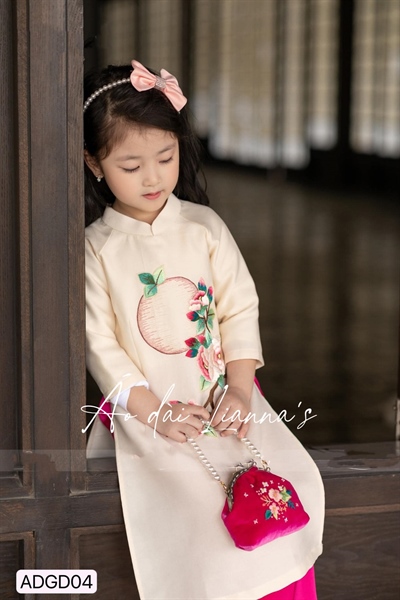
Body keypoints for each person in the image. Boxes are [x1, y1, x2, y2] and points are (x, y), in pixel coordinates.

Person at [83, 59, 324, 600]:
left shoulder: (204, 226)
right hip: (149, 412)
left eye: (165, 158)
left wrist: (239, 388)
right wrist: (156, 412)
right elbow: (100, 344)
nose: (152, 178)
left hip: (227, 400)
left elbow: (239, 309)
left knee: (280, 499)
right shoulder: (96, 248)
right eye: (131, 165)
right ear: (93, 162)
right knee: (199, 523)